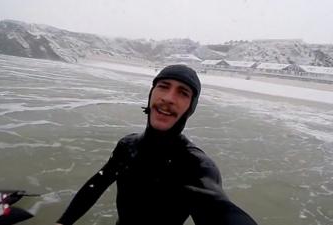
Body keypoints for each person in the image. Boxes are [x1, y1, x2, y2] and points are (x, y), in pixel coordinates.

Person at [56, 65, 258, 225]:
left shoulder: (195, 165)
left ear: (190, 108)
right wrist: (63, 222)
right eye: (163, 86)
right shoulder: (127, 145)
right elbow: (96, 184)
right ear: (151, 94)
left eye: (183, 93)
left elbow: (218, 209)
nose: (169, 98)